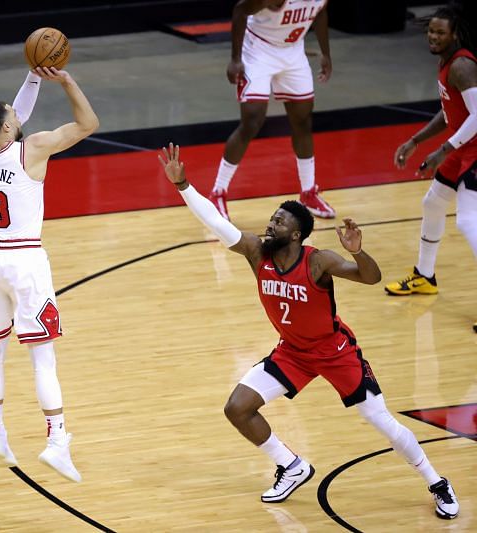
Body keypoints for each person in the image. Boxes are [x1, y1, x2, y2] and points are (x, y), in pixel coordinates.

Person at [158, 143, 460, 518]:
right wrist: (184, 184)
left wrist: (358, 251)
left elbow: (371, 278)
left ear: (297, 234)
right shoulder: (257, 253)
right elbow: (216, 223)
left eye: (280, 221)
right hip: (293, 352)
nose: (271, 224)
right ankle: (291, 464)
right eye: (272, 219)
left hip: (335, 352)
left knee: (382, 422)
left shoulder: (317, 261)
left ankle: (436, 482)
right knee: (238, 407)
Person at [0, 67, 99, 482]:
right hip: (24, 260)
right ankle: (57, 441)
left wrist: (32, 77)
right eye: (14, 117)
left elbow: (9, 119)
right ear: (9, 127)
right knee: (43, 358)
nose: (20, 117)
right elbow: (88, 124)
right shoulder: (33, 149)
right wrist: (65, 81)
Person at [383, 6, 477, 333]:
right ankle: (424, 277)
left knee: (467, 221)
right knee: (433, 203)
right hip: (461, 146)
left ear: (456, 35)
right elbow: (451, 112)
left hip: (473, 149)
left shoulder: (463, 66)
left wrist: (442, 149)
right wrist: (415, 140)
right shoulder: (448, 64)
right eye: (430, 31)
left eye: (440, 32)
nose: (433, 37)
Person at [209, 0, 335, 221]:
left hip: (292, 51)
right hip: (259, 50)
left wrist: (326, 53)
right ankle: (217, 193)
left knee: (303, 121)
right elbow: (240, 9)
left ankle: (308, 192)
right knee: (252, 121)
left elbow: (321, 13)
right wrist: (235, 59)